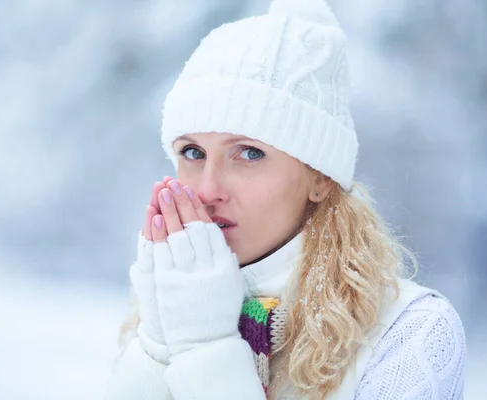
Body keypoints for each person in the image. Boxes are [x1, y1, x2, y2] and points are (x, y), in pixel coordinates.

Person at [105, 0, 466, 398]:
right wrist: (158, 344)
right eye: (192, 152)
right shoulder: (164, 312)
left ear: (321, 178)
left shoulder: (411, 333)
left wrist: (204, 348)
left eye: (249, 153)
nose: (207, 190)